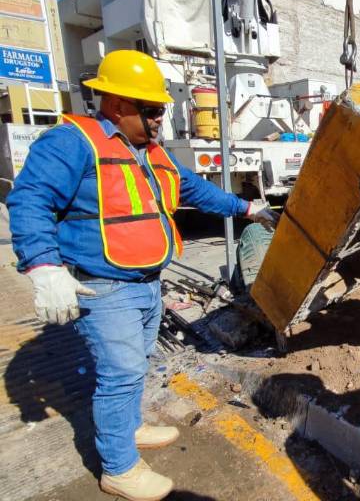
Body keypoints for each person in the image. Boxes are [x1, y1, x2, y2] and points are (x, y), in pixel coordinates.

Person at [7, 50, 275, 500]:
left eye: (160, 112)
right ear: (117, 105)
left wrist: (248, 208)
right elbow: (30, 199)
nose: (158, 121)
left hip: (147, 284)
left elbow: (193, 189)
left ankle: (128, 429)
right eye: (150, 111)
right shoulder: (72, 143)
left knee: (135, 367)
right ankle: (118, 467)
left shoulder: (150, 152)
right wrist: (44, 266)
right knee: (121, 374)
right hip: (105, 286)